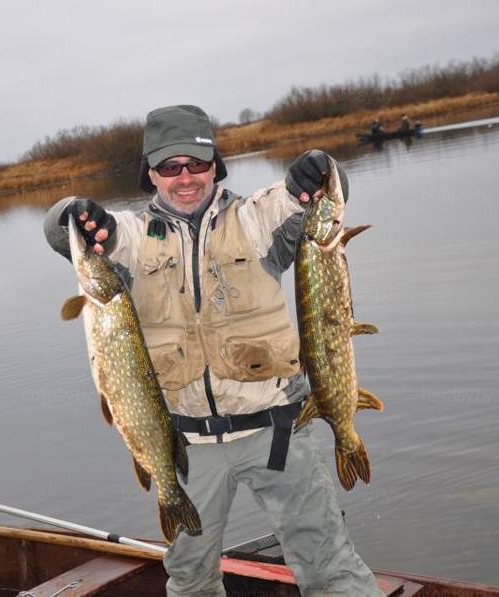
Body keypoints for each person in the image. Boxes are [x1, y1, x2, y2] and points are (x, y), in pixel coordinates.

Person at [44, 105, 383, 596]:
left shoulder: (255, 217)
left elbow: (325, 197)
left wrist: (319, 164)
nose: (185, 178)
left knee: (330, 566)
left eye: (196, 164)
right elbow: (62, 233)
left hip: (279, 429)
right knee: (191, 579)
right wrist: (71, 212)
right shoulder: (130, 238)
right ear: (150, 173)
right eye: (170, 166)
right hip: (186, 445)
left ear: (215, 166)